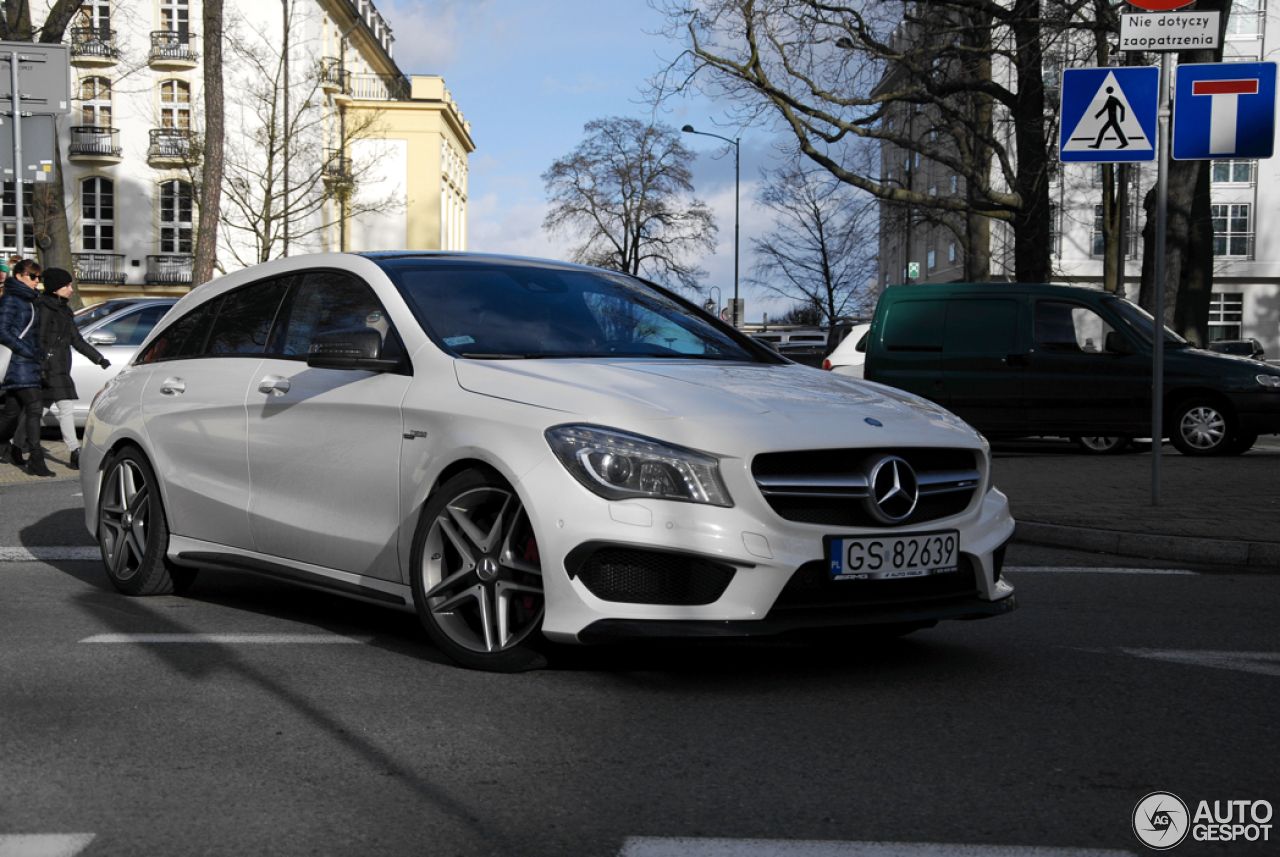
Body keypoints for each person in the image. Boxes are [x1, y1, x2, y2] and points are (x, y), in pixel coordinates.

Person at [36, 268, 109, 470]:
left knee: (40, 410)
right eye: (66, 285)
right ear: (55, 287)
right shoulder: (44, 309)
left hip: (60, 367)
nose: (71, 289)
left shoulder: (63, 310)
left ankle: (16, 445)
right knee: (63, 409)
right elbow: (40, 341)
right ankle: (74, 450)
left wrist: (99, 358)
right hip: (50, 368)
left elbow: (77, 340)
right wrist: (41, 368)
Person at [0, 259, 52, 477]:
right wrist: (28, 351)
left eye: (38, 277)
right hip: (19, 362)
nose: (37, 281)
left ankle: (8, 450)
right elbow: (2, 331)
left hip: (28, 363)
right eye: (33, 276)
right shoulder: (10, 299)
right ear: (20, 276)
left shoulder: (31, 300)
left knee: (11, 412)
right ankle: (36, 460)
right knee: (34, 407)